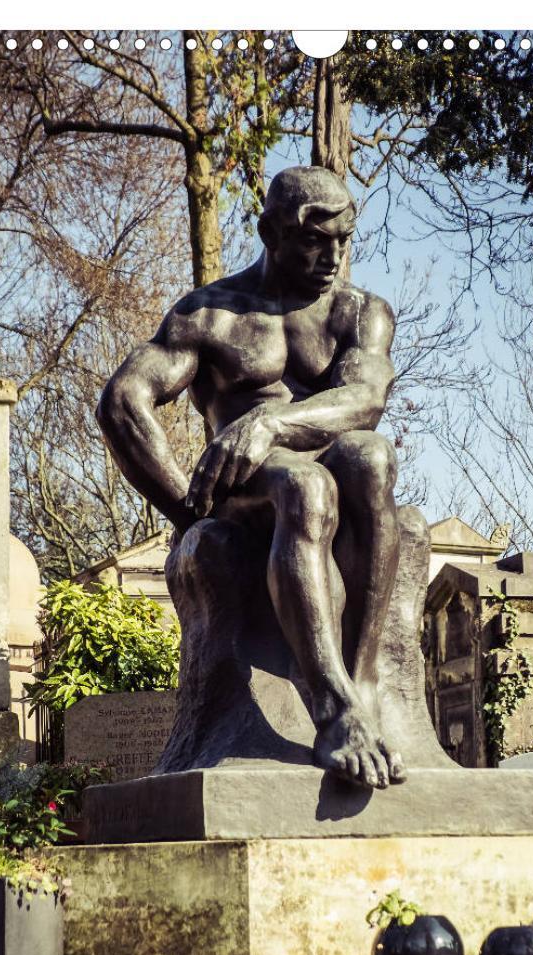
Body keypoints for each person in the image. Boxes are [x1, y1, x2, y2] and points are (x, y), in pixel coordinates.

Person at [97, 166, 405, 790]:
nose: (333, 257)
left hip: (317, 461)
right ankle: (333, 707)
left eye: (345, 240)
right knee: (304, 487)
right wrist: (189, 512)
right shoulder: (213, 315)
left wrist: (271, 425)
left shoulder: (359, 312)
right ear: (269, 231)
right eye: (315, 239)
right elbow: (122, 401)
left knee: (370, 457)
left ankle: (361, 682)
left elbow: (365, 400)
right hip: (249, 491)